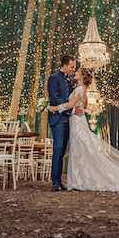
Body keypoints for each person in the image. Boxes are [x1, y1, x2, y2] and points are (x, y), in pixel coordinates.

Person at [47, 54, 77, 191]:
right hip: (57, 119)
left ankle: (59, 180)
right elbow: (54, 98)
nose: (73, 69)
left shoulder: (68, 80)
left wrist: (74, 105)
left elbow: (72, 97)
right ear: (64, 65)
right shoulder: (54, 78)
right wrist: (67, 104)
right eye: (71, 67)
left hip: (67, 118)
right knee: (58, 149)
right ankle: (54, 182)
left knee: (63, 151)